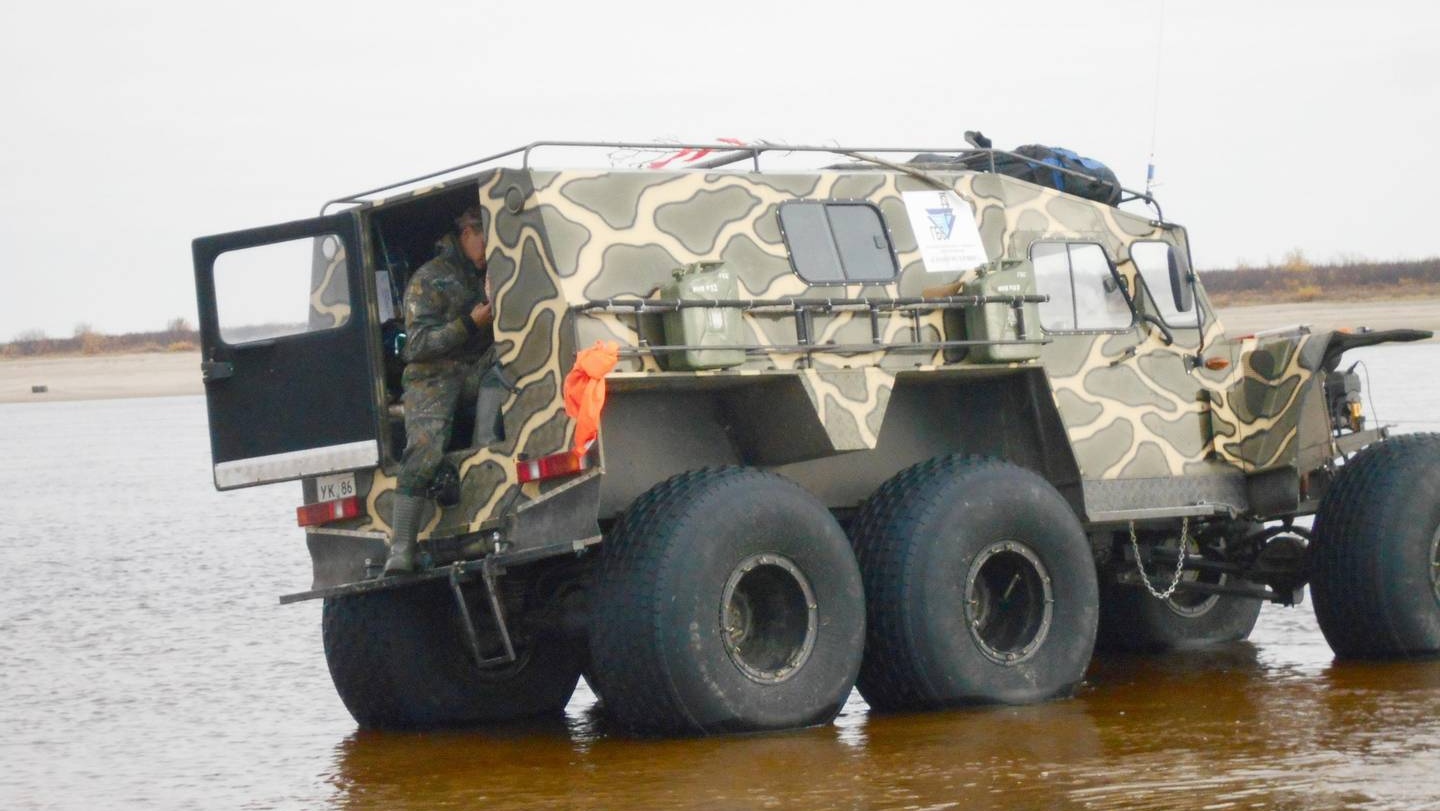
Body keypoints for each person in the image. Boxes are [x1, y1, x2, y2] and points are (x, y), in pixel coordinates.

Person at [382, 206, 495, 577]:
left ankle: (487, 454)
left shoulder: (492, 272)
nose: (486, 245)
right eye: (481, 235)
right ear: (464, 235)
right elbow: (416, 346)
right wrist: (469, 323)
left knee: (506, 367)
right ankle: (402, 549)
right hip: (433, 375)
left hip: (476, 369)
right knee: (424, 451)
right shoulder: (429, 279)